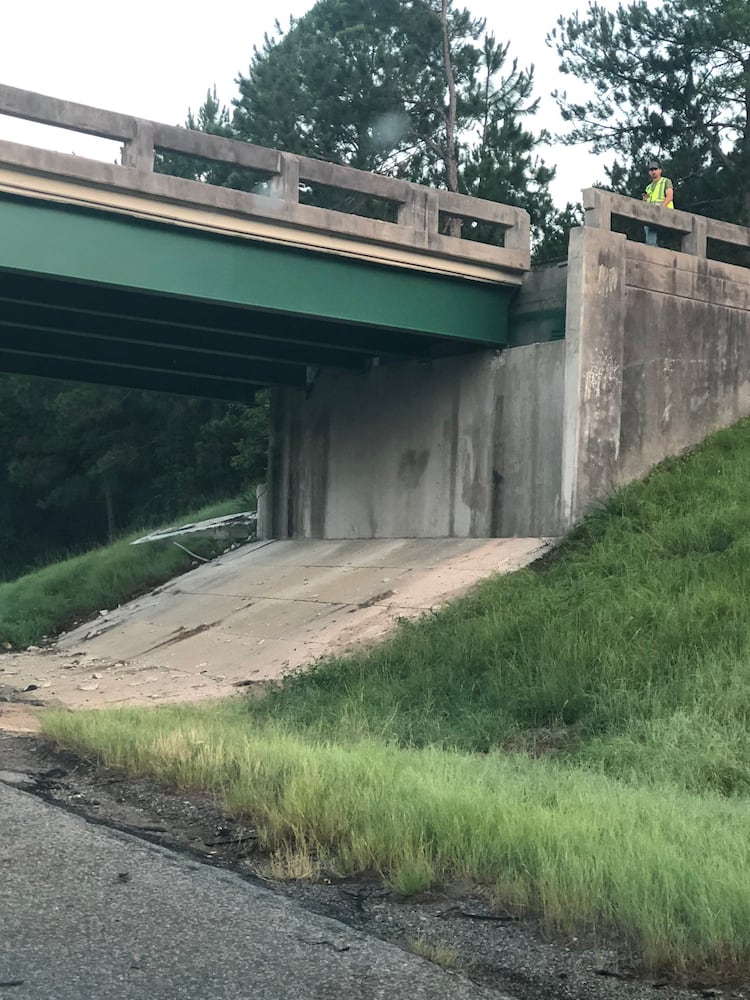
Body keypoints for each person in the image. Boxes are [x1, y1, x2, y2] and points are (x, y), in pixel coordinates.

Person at [642, 160, 674, 246]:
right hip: (653, 214)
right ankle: (651, 247)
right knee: (647, 225)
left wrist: (660, 208)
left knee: (650, 225)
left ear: (660, 170)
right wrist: (644, 201)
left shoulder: (666, 181)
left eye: (655, 169)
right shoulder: (648, 187)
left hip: (665, 212)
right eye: (651, 170)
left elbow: (669, 196)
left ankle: (652, 247)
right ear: (649, 172)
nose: (653, 172)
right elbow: (647, 203)